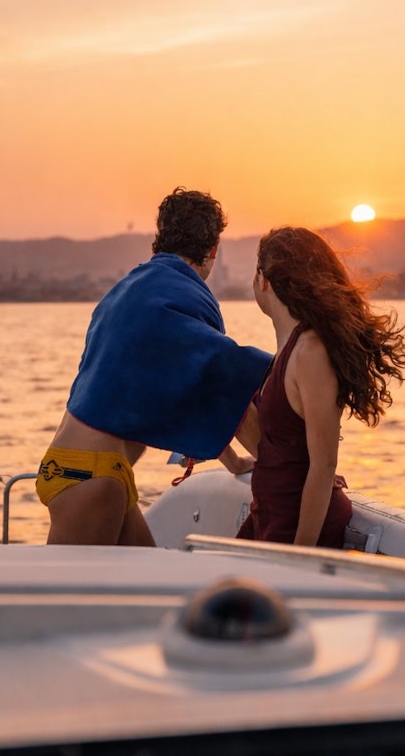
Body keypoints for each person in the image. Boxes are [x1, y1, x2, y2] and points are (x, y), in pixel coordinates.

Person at [38, 188, 272, 546]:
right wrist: (279, 467)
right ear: (213, 249)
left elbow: (203, 390)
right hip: (93, 477)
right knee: (72, 587)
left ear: (160, 237)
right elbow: (226, 384)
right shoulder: (183, 297)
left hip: (82, 468)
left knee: (151, 576)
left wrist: (235, 462)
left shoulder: (133, 288)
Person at [235, 227, 405, 548]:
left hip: (298, 529)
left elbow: (323, 466)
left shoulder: (310, 353)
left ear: (263, 280)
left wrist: (301, 551)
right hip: (271, 516)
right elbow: (280, 447)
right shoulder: (288, 350)